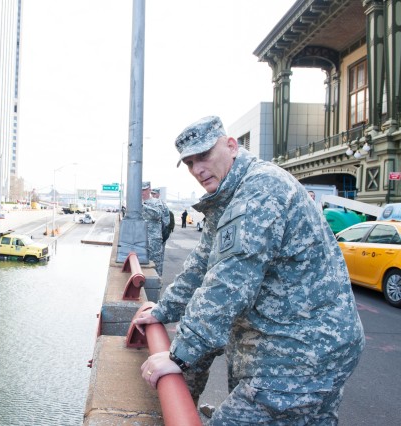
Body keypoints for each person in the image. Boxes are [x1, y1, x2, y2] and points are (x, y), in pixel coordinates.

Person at [133, 116, 364, 424]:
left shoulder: (260, 189)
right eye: (189, 162)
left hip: (300, 354)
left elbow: (229, 281)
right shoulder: (230, 195)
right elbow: (202, 264)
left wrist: (180, 355)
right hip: (286, 347)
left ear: (231, 146)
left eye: (203, 156)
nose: (197, 169)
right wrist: (164, 310)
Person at [141, 181, 165, 276]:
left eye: (144, 190)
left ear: (149, 190)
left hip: (153, 242)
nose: (142, 192)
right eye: (141, 190)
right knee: (141, 267)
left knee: (155, 268)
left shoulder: (156, 202)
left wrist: (143, 207)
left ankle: (156, 289)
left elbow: (158, 214)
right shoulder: (137, 203)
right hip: (140, 240)